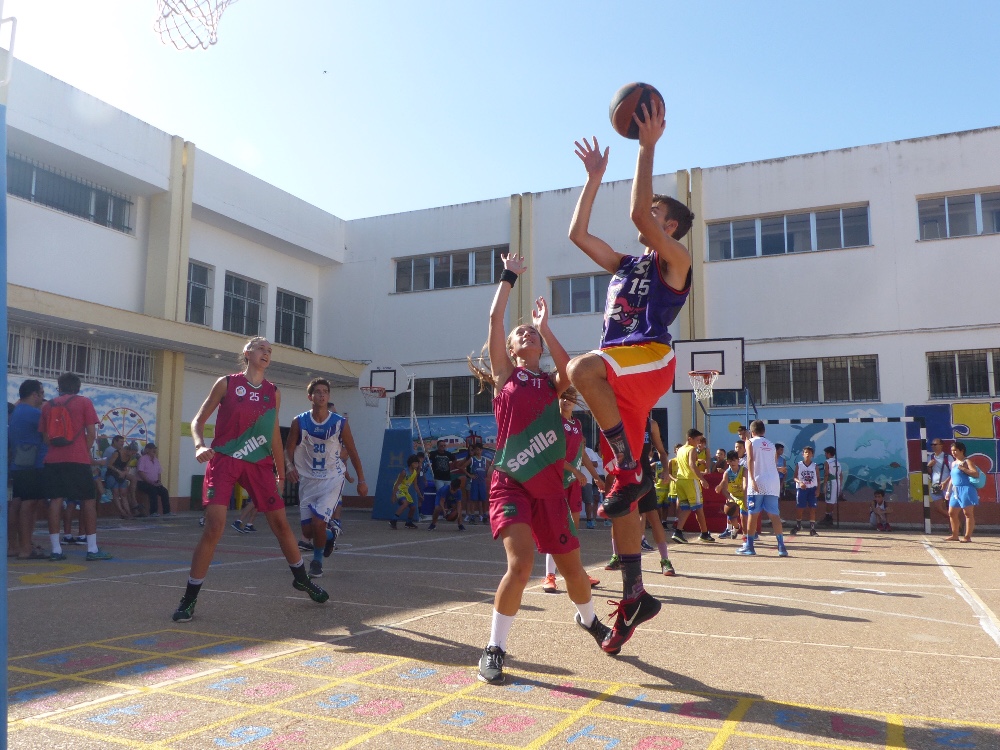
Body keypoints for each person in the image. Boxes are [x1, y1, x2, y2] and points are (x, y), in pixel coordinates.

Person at [565, 103, 693, 650]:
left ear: (670, 226)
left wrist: (646, 146)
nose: (645, 213)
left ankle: (625, 465)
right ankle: (635, 594)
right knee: (626, 499)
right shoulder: (626, 265)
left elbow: (640, 216)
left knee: (577, 367)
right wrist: (593, 180)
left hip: (647, 358)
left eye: (656, 210)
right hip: (622, 378)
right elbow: (577, 234)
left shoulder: (677, 260)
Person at [468, 252, 611, 684]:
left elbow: (572, 369)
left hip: (550, 489)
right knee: (522, 563)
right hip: (511, 481)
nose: (526, 333)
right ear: (511, 349)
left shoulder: (552, 385)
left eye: (531, 332)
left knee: (574, 573)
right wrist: (509, 276)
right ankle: (495, 647)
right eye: (522, 333)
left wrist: (547, 327)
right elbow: (496, 318)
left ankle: (588, 619)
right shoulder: (505, 375)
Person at [171, 337, 328, 623]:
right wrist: (198, 445)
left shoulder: (273, 392)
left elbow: (273, 438)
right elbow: (197, 420)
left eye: (270, 351)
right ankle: (189, 598)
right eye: (261, 348)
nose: (266, 353)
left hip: (258, 462)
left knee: (280, 523)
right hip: (225, 458)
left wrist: (281, 472)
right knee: (214, 526)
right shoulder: (227, 384)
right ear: (247, 353)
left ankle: (302, 579)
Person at [286, 378, 367, 577]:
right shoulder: (300, 421)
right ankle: (331, 535)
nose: (322, 395)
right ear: (310, 396)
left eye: (325, 392)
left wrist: (362, 480)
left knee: (318, 523)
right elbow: (287, 449)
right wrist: (288, 467)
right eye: (318, 392)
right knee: (307, 532)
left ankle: (317, 561)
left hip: (332, 479)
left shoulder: (339, 423)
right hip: (308, 479)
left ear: (328, 396)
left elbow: (353, 452)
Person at [39, 372, 111, 561]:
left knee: (56, 500)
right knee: (88, 500)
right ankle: (92, 548)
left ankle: (56, 549)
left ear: (59, 386)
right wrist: (82, 450)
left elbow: (46, 438)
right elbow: (91, 433)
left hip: (53, 459)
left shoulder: (48, 406)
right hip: (77, 459)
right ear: (77, 387)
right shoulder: (84, 402)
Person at [542, 388, 602, 592]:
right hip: (556, 481)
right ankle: (549, 576)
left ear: (576, 402)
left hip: (573, 483)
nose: (567, 401)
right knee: (556, 529)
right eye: (564, 398)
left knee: (572, 531)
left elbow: (582, 453)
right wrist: (575, 471)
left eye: (571, 398)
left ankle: (578, 573)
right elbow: (552, 455)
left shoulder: (576, 424)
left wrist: (596, 478)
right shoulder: (553, 423)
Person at [9, 379, 49, 559]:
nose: (43, 397)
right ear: (35, 394)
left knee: (17, 504)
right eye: (42, 394)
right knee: (29, 504)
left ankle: (15, 545)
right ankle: (26, 547)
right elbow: (50, 433)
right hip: (33, 464)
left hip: (18, 463)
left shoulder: (17, 411)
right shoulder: (34, 414)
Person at [738, 420, 788, 557]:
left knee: (753, 514)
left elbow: (750, 460)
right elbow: (770, 464)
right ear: (764, 431)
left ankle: (749, 545)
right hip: (772, 482)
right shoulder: (771, 445)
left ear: (752, 432)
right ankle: (781, 546)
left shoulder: (750, 442)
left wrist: (752, 479)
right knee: (774, 515)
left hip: (758, 480)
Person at [671, 429, 714, 544]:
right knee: (697, 506)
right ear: (690, 439)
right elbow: (691, 465)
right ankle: (702, 533)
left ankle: (681, 531)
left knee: (687, 507)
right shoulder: (691, 449)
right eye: (697, 440)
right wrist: (702, 479)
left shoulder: (680, 449)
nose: (698, 442)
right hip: (690, 480)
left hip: (681, 480)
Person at [943, 441, 980, 543]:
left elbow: (975, 474)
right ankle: (955, 535)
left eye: (955, 450)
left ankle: (967, 537)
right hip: (955, 490)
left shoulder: (967, 461)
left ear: (961, 450)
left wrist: (963, 468)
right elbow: (953, 478)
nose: (953, 452)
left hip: (966, 489)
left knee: (968, 513)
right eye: (952, 450)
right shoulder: (953, 463)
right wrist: (948, 491)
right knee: (952, 513)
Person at [715, 450, 746, 540]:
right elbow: (724, 490)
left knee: (744, 516)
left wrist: (745, 498)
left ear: (738, 461)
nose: (732, 463)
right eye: (730, 461)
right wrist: (729, 498)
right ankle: (736, 528)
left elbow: (745, 485)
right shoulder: (727, 473)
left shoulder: (744, 470)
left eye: (734, 460)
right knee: (731, 515)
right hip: (733, 495)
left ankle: (746, 536)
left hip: (743, 494)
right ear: (727, 461)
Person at [791, 445, 820, 535]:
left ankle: (812, 528)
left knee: (812, 508)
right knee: (800, 508)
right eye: (806, 452)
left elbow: (818, 478)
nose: (807, 454)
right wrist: (800, 482)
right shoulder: (799, 465)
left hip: (812, 489)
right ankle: (798, 525)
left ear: (812, 455)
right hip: (802, 489)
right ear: (803, 454)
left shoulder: (815, 466)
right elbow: (795, 477)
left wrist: (818, 489)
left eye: (809, 452)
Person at [137, 443, 171, 516]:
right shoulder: (143, 459)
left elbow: (159, 472)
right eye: (152, 449)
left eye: (154, 449)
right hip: (143, 482)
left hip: (154, 482)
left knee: (164, 491)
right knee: (153, 490)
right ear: (147, 450)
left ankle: (167, 512)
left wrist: (158, 481)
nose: (154, 450)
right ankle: (153, 512)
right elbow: (140, 472)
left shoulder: (156, 460)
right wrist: (150, 482)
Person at [104, 438, 133, 519]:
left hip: (121, 475)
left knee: (124, 494)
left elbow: (126, 466)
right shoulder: (116, 453)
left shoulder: (130, 456)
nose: (132, 454)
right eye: (131, 452)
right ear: (127, 450)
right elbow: (109, 465)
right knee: (116, 493)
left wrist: (125, 472)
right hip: (113, 474)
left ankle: (128, 512)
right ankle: (122, 512)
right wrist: (119, 472)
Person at [390, 455, 421, 529]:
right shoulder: (404, 472)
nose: (417, 465)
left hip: (405, 490)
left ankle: (408, 522)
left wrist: (420, 494)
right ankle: (393, 520)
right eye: (415, 463)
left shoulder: (415, 473)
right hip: (399, 489)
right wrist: (393, 495)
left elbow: (415, 485)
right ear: (411, 463)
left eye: (417, 463)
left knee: (413, 507)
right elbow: (397, 483)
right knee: (405, 504)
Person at [927, 439, 951, 523]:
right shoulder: (930, 457)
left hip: (947, 486)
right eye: (932, 445)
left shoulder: (947, 457)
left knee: (950, 507)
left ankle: (953, 528)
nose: (933, 446)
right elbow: (929, 472)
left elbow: (953, 472)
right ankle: (956, 522)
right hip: (935, 486)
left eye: (935, 444)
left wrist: (945, 482)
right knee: (938, 508)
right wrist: (929, 466)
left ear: (941, 445)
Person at [820, 446, 842, 527]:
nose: (825, 455)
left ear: (828, 453)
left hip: (831, 482)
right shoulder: (838, 463)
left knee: (829, 500)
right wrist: (840, 485)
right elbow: (841, 475)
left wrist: (825, 485)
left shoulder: (827, 462)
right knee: (833, 500)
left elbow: (826, 474)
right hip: (838, 481)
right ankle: (830, 517)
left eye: (826, 453)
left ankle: (827, 517)